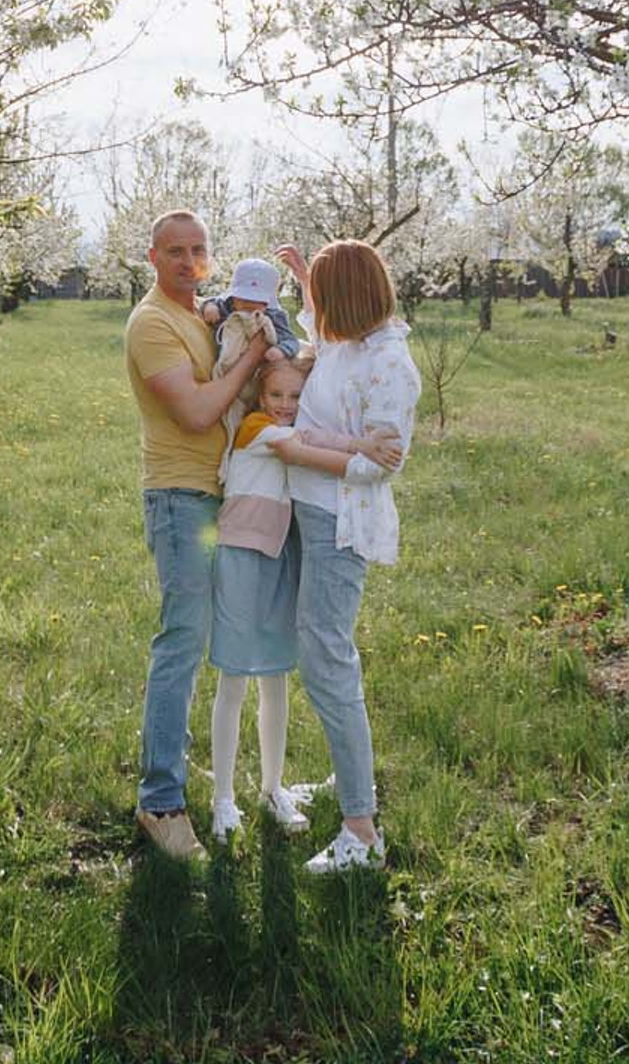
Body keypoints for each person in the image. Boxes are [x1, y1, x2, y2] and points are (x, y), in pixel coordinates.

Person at [124, 207, 272, 861]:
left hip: (223, 493)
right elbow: (195, 411)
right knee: (182, 642)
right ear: (152, 257)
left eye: (198, 250)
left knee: (222, 636)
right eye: (175, 251)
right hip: (181, 499)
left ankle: (231, 783)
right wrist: (256, 359)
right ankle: (161, 802)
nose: (188, 262)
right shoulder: (152, 322)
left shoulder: (201, 314)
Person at [269, 238, 419, 874]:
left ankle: (362, 829)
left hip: (340, 522)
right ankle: (348, 779)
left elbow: (377, 466)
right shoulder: (349, 342)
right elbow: (324, 340)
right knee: (321, 651)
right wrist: (307, 279)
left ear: (348, 301)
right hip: (309, 512)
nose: (316, 312)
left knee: (327, 656)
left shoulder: (389, 364)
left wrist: (298, 449)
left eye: (324, 299)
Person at [207, 353, 400, 840]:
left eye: (295, 397)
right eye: (276, 395)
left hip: (280, 552)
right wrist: (363, 449)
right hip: (241, 553)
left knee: (275, 676)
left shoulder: (280, 423)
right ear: (259, 396)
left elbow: (309, 432)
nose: (286, 405)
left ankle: (273, 788)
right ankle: (223, 798)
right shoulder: (256, 428)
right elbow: (307, 442)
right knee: (234, 676)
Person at [199, 256, 303, 360]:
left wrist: (281, 350)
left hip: (258, 364)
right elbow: (212, 301)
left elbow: (292, 341)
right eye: (244, 299)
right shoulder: (225, 307)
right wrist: (209, 307)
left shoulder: (273, 316)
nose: (250, 304)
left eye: (258, 301)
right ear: (233, 297)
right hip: (225, 360)